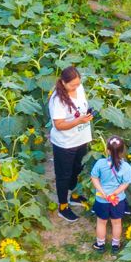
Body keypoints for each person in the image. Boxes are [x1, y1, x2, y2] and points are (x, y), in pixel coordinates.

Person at [49, 66, 93, 222]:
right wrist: (78, 121)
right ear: (63, 82)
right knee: (64, 175)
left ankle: (75, 196)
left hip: (81, 138)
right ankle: (63, 206)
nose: (76, 87)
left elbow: (82, 106)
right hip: (65, 143)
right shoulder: (57, 100)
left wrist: (86, 116)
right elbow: (59, 125)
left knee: (78, 170)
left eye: (78, 83)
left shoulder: (79, 88)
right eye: (72, 85)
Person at [89, 136, 131, 253]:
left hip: (102, 199)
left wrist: (102, 191)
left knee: (101, 222)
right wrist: (115, 193)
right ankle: (115, 245)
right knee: (117, 223)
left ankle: (100, 244)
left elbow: (94, 177)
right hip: (118, 200)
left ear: (107, 151)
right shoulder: (126, 167)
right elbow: (125, 183)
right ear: (122, 151)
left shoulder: (100, 163)